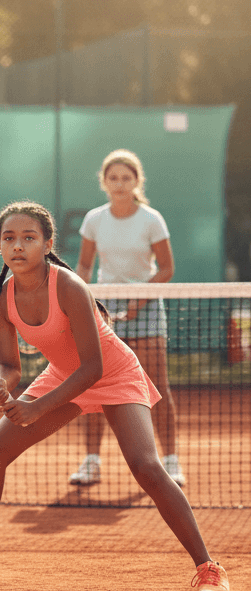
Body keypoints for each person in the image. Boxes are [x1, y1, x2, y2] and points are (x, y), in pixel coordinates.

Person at [0, 201, 228, 591]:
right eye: (9, 238)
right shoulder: (0, 301)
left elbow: (94, 366)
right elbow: (8, 365)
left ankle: (208, 568)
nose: (18, 246)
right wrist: (2, 385)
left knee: (147, 466)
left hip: (111, 371)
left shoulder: (69, 286)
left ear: (48, 243)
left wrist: (36, 407)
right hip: (62, 373)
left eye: (28, 238)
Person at [69, 149, 184, 487]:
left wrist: (139, 297)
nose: (119, 184)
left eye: (126, 178)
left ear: (137, 181)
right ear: (104, 182)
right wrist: (82, 298)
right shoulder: (94, 219)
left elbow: (166, 269)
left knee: (157, 387)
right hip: (103, 306)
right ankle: (91, 462)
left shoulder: (151, 219)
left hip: (147, 304)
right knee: (96, 386)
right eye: (113, 178)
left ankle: (171, 462)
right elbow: (86, 267)